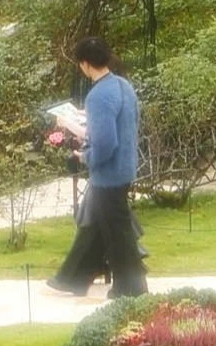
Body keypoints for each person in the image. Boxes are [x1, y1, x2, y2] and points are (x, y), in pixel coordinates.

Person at [46, 38, 147, 298]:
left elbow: (105, 143)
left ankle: (131, 289)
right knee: (100, 227)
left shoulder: (98, 95)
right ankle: (73, 279)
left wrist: (84, 156)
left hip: (108, 174)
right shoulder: (123, 86)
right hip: (125, 167)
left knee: (118, 234)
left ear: (85, 64)